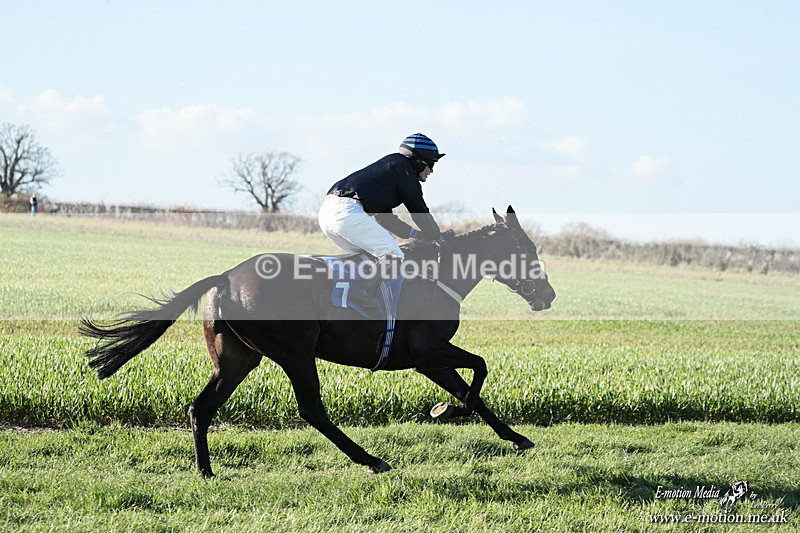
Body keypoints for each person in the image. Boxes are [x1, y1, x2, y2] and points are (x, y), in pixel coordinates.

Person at [318, 133, 448, 310]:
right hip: (347, 213)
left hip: (328, 213)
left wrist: (416, 234)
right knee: (393, 255)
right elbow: (419, 212)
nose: (432, 170)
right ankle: (360, 295)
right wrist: (438, 238)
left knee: (369, 259)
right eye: (431, 164)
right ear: (419, 161)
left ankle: (347, 300)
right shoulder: (405, 172)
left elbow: (384, 218)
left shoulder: (392, 170)